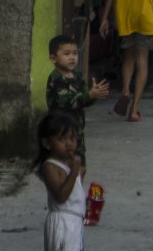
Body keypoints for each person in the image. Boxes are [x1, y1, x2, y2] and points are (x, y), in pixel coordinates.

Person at [36, 111, 104, 251]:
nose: (69, 144)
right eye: (62, 139)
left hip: (72, 222)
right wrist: (75, 171)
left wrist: (79, 177)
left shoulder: (64, 165)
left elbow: (73, 193)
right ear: (47, 143)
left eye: (73, 139)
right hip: (63, 223)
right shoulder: (50, 166)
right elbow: (61, 195)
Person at [46, 35, 110, 177]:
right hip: (61, 132)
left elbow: (84, 100)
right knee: (63, 166)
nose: (72, 58)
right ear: (54, 58)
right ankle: (65, 195)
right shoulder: (56, 79)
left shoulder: (77, 76)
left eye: (75, 53)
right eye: (66, 54)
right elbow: (67, 103)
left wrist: (94, 95)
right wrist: (89, 95)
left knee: (80, 165)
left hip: (77, 131)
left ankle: (77, 195)